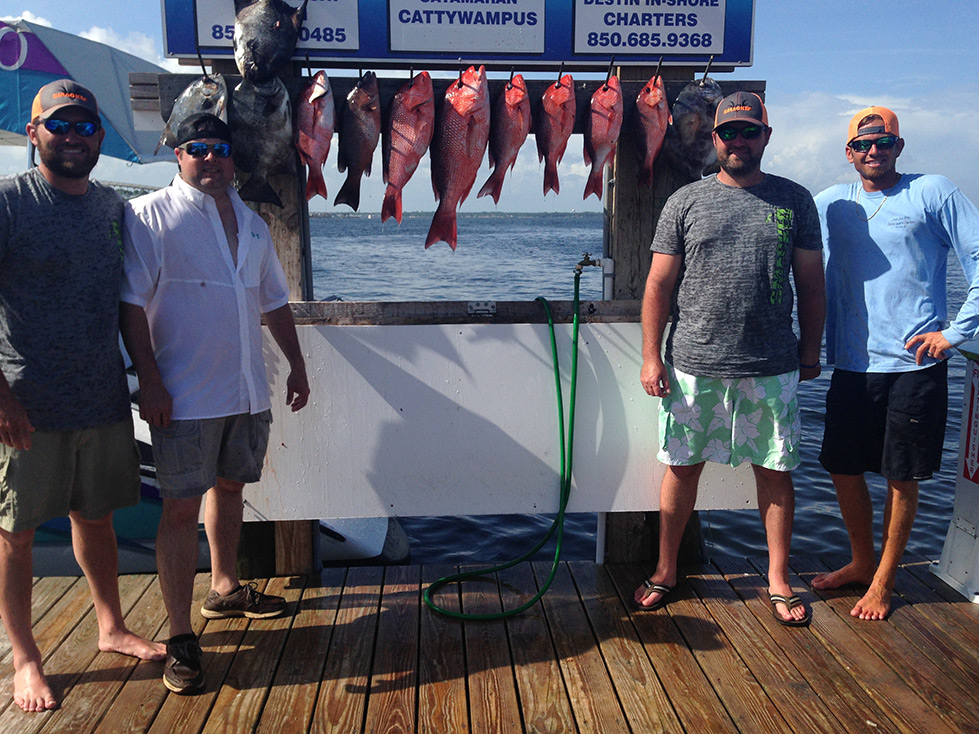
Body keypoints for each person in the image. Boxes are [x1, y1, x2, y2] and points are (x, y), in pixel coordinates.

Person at [119, 113, 310, 695]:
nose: (211, 159)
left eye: (220, 149)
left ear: (233, 158)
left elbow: (274, 302)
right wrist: (150, 381)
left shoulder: (253, 223)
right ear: (177, 154)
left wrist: (297, 364)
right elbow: (130, 305)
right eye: (197, 148)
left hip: (245, 389)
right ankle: (181, 636)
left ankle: (224, 587)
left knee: (231, 489)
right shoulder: (148, 215)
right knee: (179, 510)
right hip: (182, 395)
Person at [0, 79, 166, 712]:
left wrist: (149, 376)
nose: (73, 137)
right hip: (25, 404)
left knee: (96, 518)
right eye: (60, 125)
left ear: (99, 138)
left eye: (86, 127)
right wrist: (2, 400)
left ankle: (111, 626)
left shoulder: (113, 209)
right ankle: (25, 657)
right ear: (34, 132)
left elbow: (129, 304)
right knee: (16, 533)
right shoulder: (10, 202)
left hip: (101, 398)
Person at [634, 91, 825, 626]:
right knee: (680, 469)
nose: (738, 141)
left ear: (766, 136)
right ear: (714, 139)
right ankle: (666, 568)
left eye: (749, 131)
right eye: (728, 132)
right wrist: (651, 357)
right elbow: (658, 285)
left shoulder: (794, 200)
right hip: (692, 365)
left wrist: (811, 351)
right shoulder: (685, 201)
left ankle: (779, 578)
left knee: (776, 472)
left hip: (773, 365)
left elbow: (812, 284)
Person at [812, 107, 979, 620]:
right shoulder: (831, 203)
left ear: (898, 147)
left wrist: (955, 333)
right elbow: (783, 253)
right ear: (849, 153)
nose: (873, 151)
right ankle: (862, 561)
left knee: (901, 475)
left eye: (883, 142)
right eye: (863, 144)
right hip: (851, 364)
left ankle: (885, 579)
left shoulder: (932, 191)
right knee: (842, 467)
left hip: (914, 365)